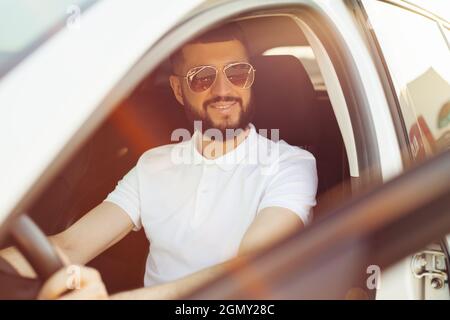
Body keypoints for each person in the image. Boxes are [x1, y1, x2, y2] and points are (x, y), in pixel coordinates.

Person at [0, 23, 318, 299]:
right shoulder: (153, 164)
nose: (224, 89)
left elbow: (250, 269)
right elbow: (70, 246)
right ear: (179, 90)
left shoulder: (290, 164)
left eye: (237, 73)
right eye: (202, 78)